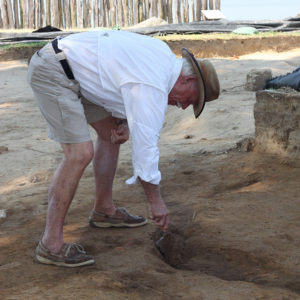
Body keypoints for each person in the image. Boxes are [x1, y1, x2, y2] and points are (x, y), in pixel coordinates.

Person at [27, 30, 220, 267]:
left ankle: (103, 210)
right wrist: (156, 202)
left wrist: (124, 122)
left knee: (112, 135)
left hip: (78, 72)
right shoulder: (153, 85)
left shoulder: (163, 60)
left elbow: (121, 81)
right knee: (79, 153)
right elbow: (145, 151)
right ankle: (51, 244)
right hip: (54, 69)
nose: (182, 106)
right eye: (190, 100)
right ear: (188, 81)